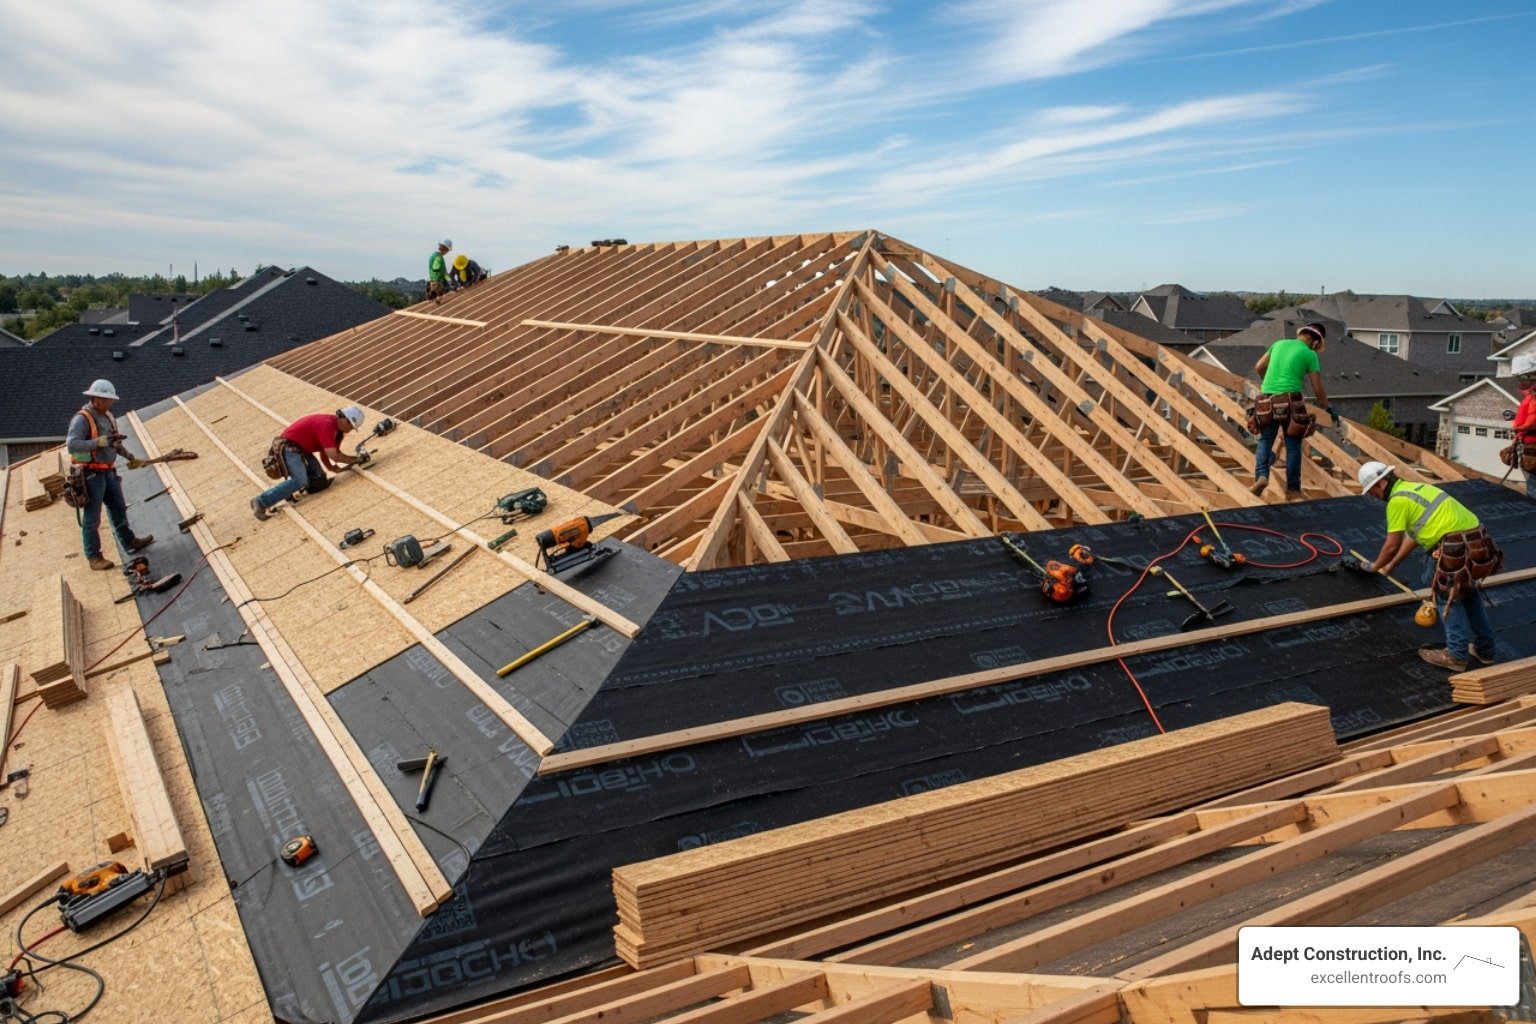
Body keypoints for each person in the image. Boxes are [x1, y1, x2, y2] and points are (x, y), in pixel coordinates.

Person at [1358, 461, 1501, 670]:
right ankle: (1485, 650)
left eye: (1371, 491)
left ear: (1381, 484)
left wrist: (1375, 566)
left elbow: (1391, 544)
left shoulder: (1397, 501)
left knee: (1447, 599)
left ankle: (1456, 655)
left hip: (1453, 547)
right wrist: (1393, 565)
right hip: (1477, 540)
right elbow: (1414, 536)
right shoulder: (1418, 489)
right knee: (1469, 593)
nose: (1372, 496)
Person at [66, 379, 155, 570]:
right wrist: (96, 443)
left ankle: (129, 541)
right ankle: (94, 557)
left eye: (110, 400)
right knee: (93, 518)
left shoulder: (107, 416)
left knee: (119, 507)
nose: (110, 403)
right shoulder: (82, 419)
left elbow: (113, 442)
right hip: (90, 474)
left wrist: (130, 457)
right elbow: (72, 445)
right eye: (106, 400)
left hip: (108, 471)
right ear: (95, 398)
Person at [1251, 321, 1338, 500]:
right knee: (1292, 446)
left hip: (1266, 399)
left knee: (1266, 440)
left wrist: (1268, 384)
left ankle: (1261, 476)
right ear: (1315, 342)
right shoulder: (1310, 354)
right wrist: (1328, 407)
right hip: (1290, 401)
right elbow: (1317, 387)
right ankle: (1293, 490)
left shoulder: (1278, 344)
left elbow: (1259, 367)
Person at [251, 407, 368, 520]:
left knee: (318, 479)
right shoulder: (326, 424)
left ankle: (289, 491)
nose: (349, 430)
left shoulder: (337, 431)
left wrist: (330, 467)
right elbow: (334, 455)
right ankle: (261, 501)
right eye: (350, 426)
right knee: (300, 480)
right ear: (345, 419)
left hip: (301, 448)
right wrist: (355, 460)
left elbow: (326, 450)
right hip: (289, 447)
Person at [1511, 353, 1536, 499]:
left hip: (1532, 445)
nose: (1520, 385)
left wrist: (1520, 428)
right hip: (1526, 442)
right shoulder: (1530, 397)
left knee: (1533, 484)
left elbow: (1532, 420)